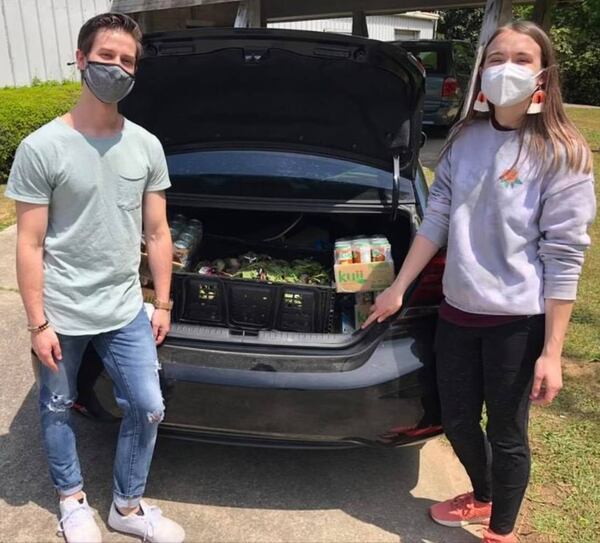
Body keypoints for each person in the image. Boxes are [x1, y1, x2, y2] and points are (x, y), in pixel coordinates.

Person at [362, 21, 595, 543]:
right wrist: (400, 286)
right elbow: (439, 214)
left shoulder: (563, 152)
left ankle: (503, 529)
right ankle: (484, 495)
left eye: (521, 57)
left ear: (544, 74)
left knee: (507, 433)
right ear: (482, 71)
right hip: (457, 313)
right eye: (496, 57)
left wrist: (552, 352)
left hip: (516, 321)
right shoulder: (467, 137)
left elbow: (565, 255)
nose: (506, 67)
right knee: (459, 420)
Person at [6, 13, 185, 543]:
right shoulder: (42, 148)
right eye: (107, 56)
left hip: (125, 307)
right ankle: (72, 501)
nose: (117, 67)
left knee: (148, 406)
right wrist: (38, 323)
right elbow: (29, 244)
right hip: (61, 310)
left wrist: (164, 302)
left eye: (127, 60)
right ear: (82, 60)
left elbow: (156, 232)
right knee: (57, 408)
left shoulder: (146, 146)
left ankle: (127, 508)